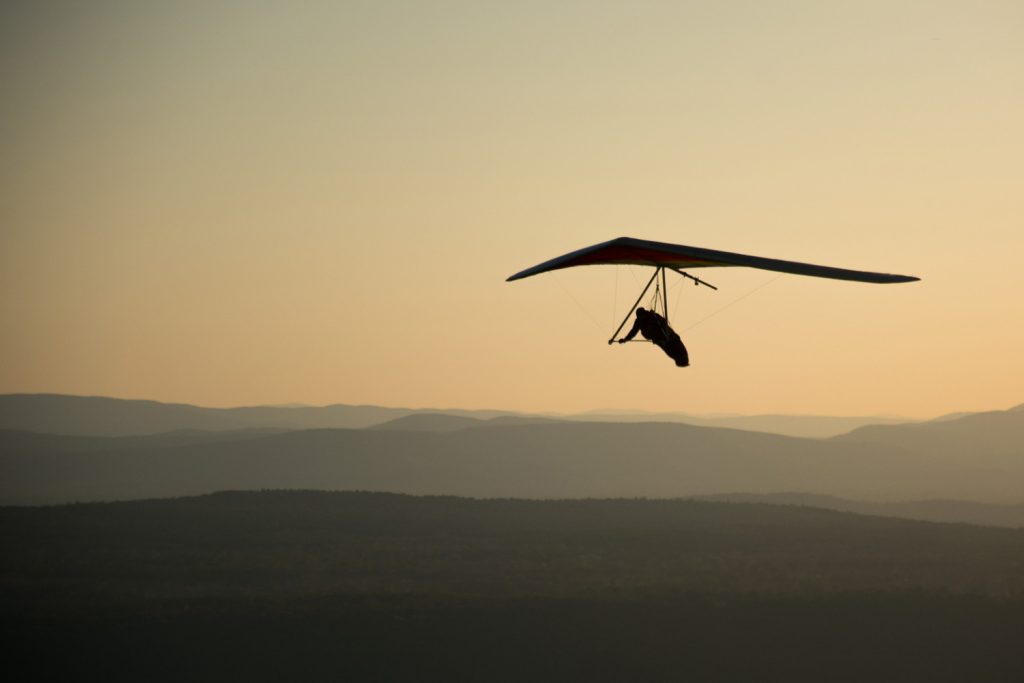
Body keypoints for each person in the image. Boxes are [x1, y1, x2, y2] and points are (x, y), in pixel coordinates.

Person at [617, 307, 689, 367]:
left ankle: (683, 361)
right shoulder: (639, 321)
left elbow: (664, 322)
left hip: (669, 336)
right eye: (639, 317)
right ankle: (681, 361)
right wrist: (625, 339)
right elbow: (633, 332)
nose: (641, 318)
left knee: (677, 350)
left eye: (641, 316)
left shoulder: (653, 316)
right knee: (670, 352)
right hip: (659, 339)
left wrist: (666, 334)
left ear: (644, 313)